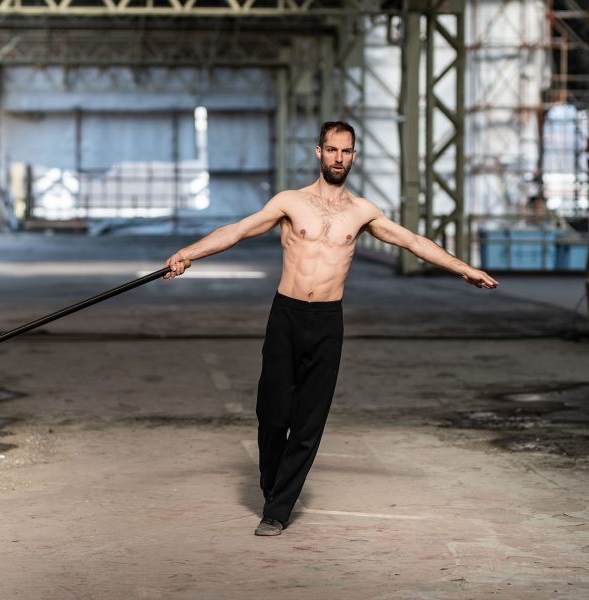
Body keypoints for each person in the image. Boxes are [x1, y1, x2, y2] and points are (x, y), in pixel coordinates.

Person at [164, 121, 498, 537]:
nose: (339, 158)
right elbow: (237, 231)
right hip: (286, 315)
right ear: (319, 152)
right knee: (271, 415)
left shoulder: (362, 212)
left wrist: (464, 268)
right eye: (333, 150)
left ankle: (277, 510)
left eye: (347, 152)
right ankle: (273, 486)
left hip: (326, 321)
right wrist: (187, 254)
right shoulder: (290, 202)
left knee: (308, 421)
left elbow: (413, 241)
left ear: (353, 156)